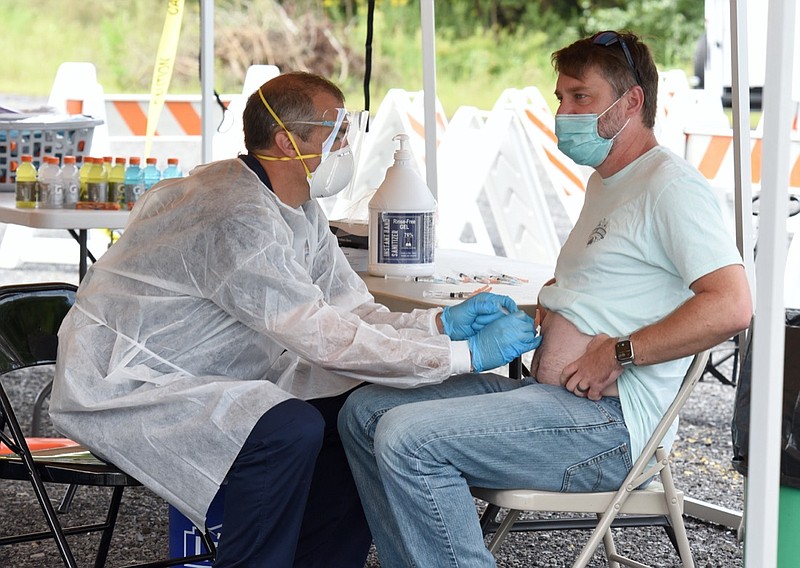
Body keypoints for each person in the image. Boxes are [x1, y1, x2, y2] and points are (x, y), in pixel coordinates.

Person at [49, 72, 539, 568]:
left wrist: (439, 326)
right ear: (287, 141)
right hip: (128, 384)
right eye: (335, 132)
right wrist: (461, 355)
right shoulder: (234, 211)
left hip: (206, 374)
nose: (346, 144)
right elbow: (319, 336)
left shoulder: (297, 207)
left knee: (363, 414)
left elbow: (350, 312)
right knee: (288, 428)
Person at [337, 30, 753, 567]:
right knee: (364, 412)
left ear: (632, 102)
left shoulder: (670, 186)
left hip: (612, 423)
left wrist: (620, 351)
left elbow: (732, 305)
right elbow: (605, 298)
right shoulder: (607, 182)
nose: (565, 112)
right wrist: (529, 317)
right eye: (561, 97)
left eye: (581, 97)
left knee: (406, 437)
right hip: (554, 400)